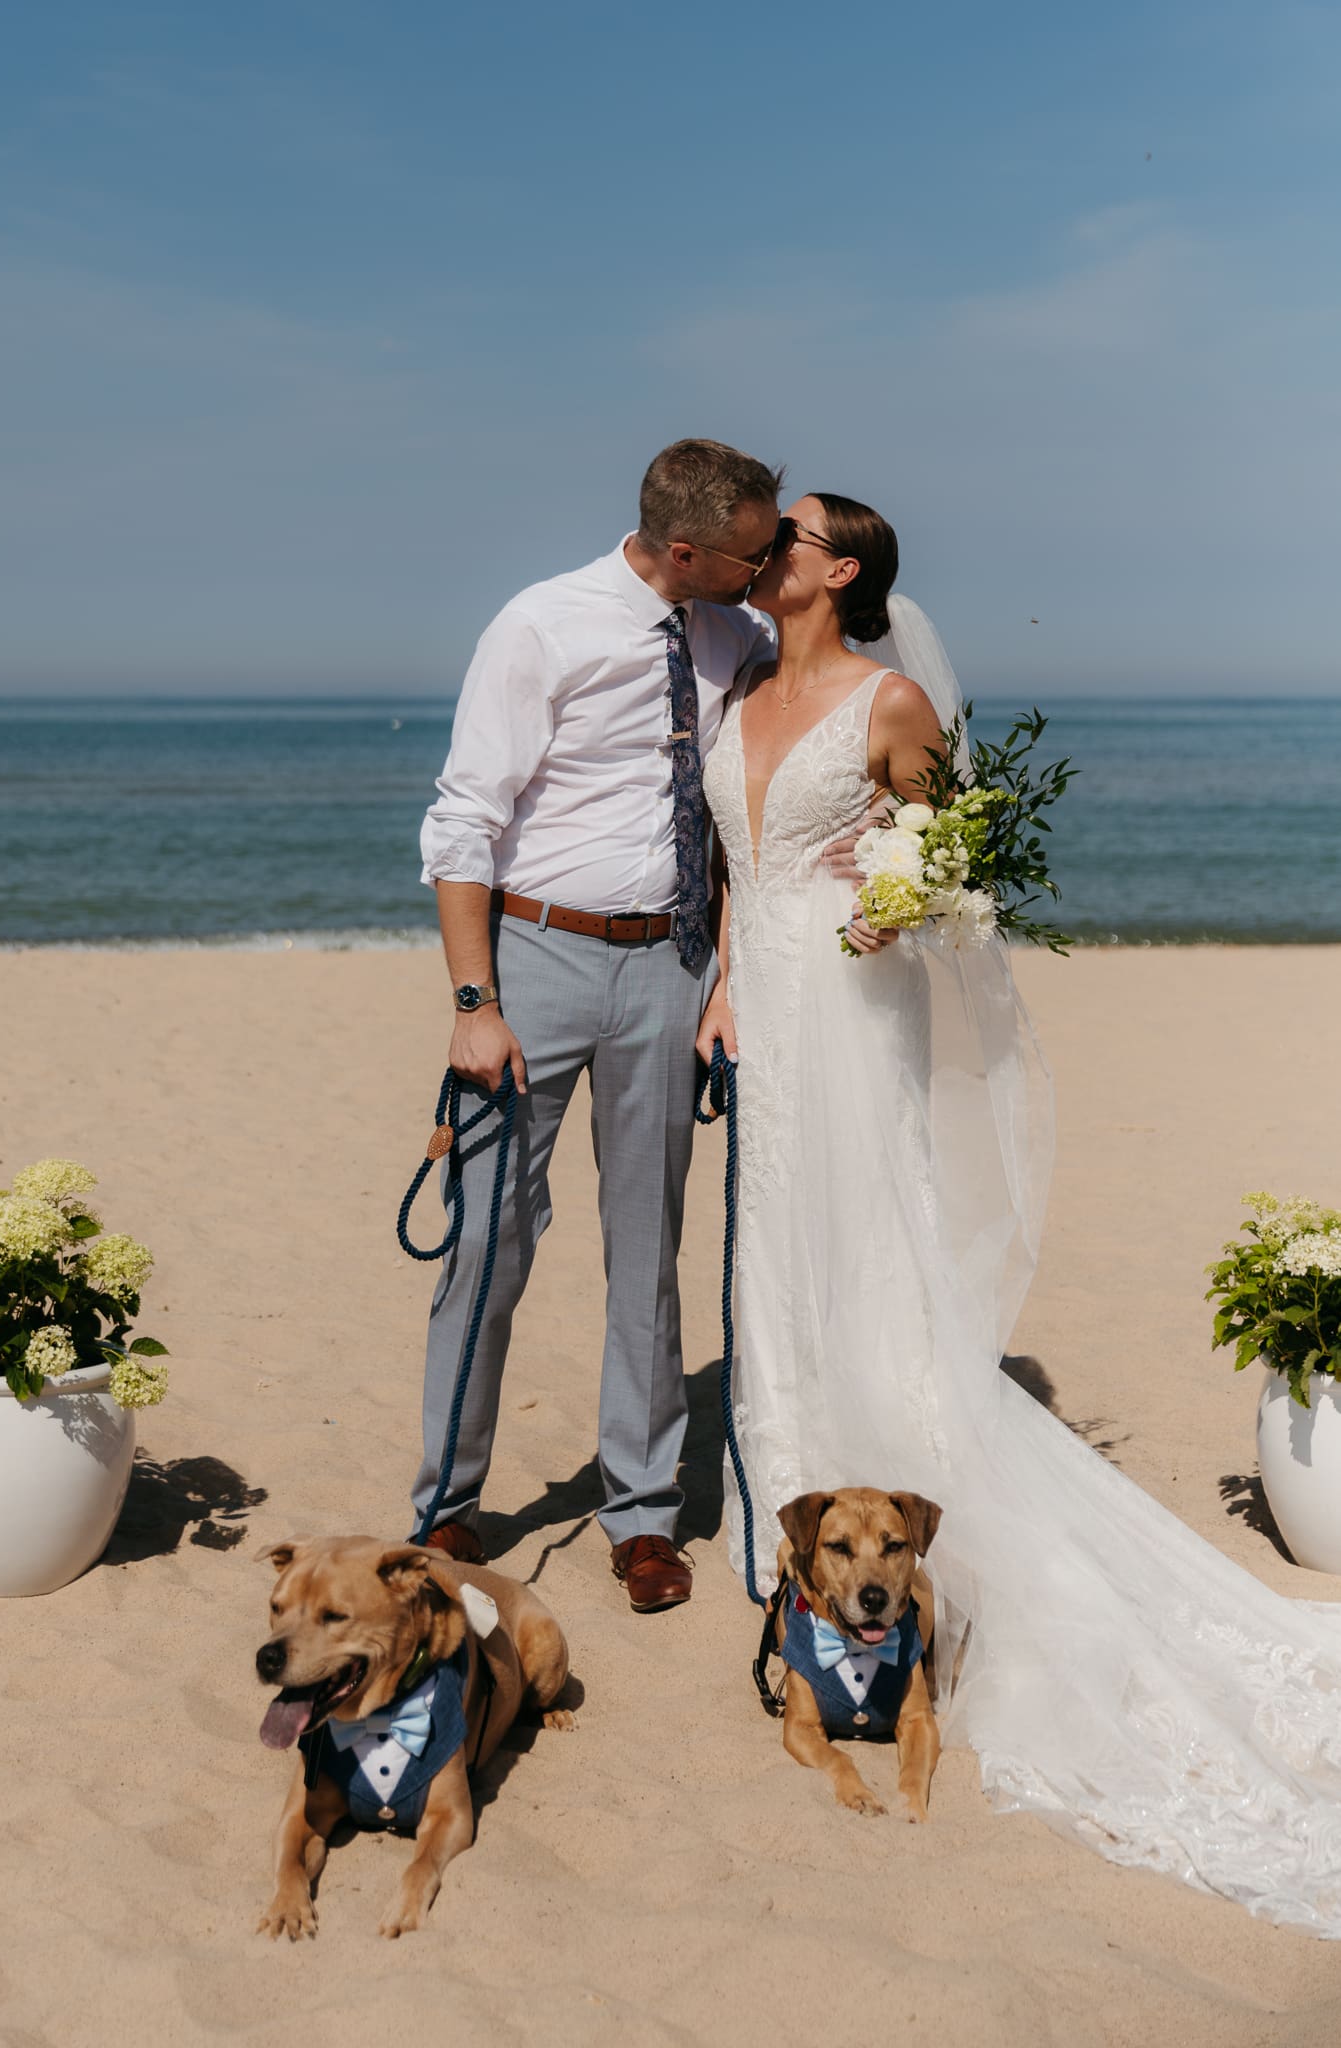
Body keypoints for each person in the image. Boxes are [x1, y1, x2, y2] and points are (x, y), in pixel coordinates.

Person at [698, 490, 1341, 1936]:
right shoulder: (739, 682)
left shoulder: (893, 695)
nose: (769, 546)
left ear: (840, 568)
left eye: (789, 532)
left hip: (856, 1018)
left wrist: (898, 904)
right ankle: (786, 1546)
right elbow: (739, 866)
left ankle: (911, 1548)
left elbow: (958, 867)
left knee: (867, 1257)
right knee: (771, 1265)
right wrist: (727, 986)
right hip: (769, 1023)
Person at [412, 439, 780, 1613]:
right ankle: (447, 1502)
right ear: (687, 549)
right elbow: (465, 822)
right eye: (752, 552)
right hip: (537, 958)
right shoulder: (540, 626)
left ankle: (642, 1513)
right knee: (486, 1239)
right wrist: (476, 1004)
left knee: (648, 1252)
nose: (767, 568)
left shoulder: (738, 637)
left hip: (670, 966)